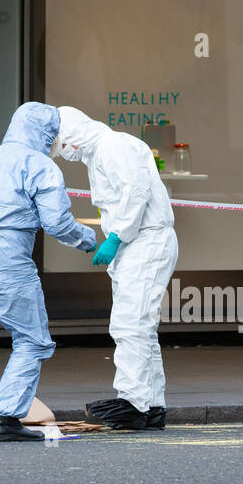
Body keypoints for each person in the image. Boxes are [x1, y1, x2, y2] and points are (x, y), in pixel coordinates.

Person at [0, 102, 97, 442]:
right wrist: (89, 241)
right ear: (46, 135)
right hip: (5, 254)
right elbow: (57, 222)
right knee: (31, 339)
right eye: (55, 136)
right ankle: (7, 418)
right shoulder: (38, 164)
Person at [54, 106, 179, 431]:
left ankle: (133, 403)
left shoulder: (113, 147)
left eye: (60, 146)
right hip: (138, 243)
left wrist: (116, 236)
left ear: (71, 138)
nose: (63, 154)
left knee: (130, 325)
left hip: (144, 241)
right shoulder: (101, 154)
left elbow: (136, 193)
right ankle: (152, 405)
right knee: (142, 328)